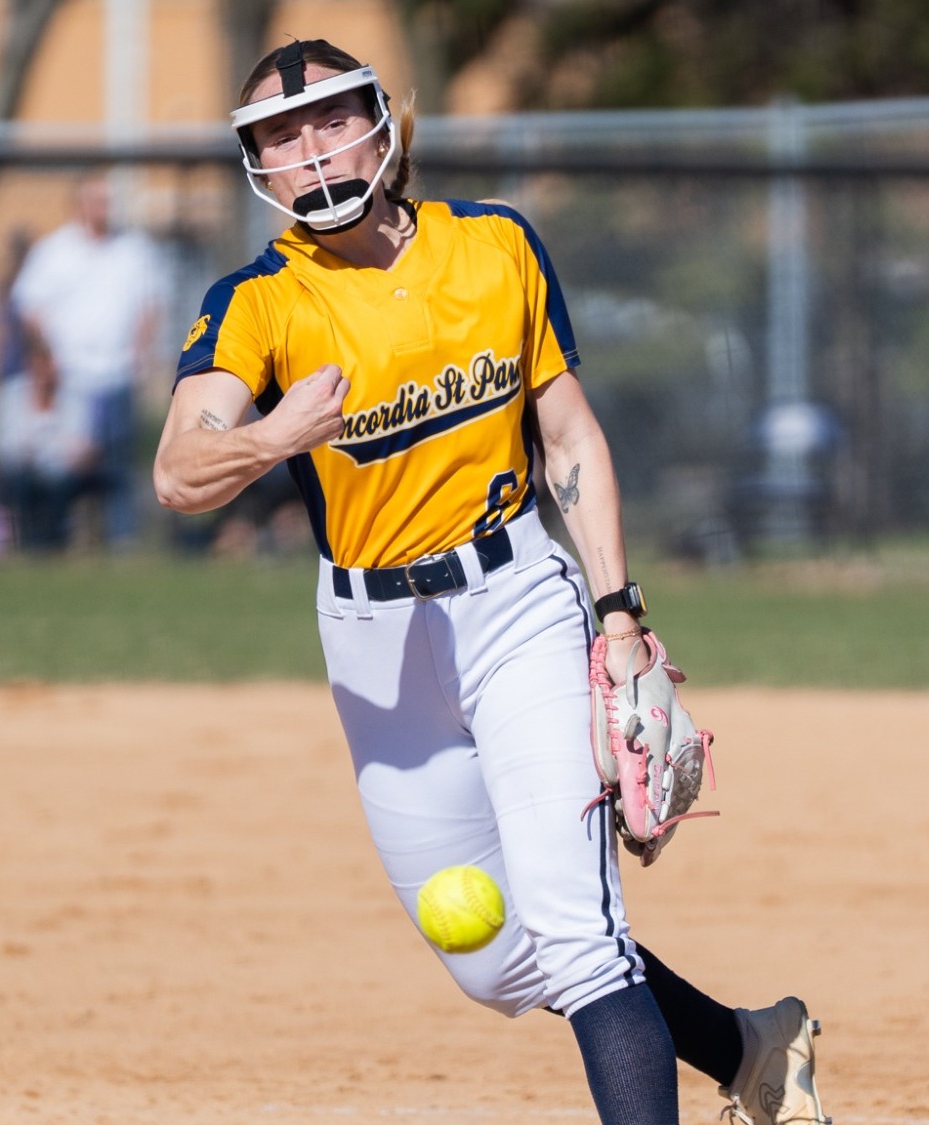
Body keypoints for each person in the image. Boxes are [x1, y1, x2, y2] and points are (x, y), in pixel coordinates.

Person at [154, 40, 829, 1125]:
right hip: (372, 640)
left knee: (577, 936)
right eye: (278, 136)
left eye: (330, 120)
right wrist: (275, 433)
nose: (309, 151)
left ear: (383, 125)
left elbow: (570, 442)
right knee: (499, 963)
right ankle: (748, 1047)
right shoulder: (258, 302)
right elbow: (178, 470)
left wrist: (618, 620)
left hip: (514, 600)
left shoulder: (494, 245)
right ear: (258, 167)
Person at [10, 171, 164, 548]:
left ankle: (122, 538)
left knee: (119, 462)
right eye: (96, 200)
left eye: (108, 201)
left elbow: (151, 305)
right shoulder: (54, 251)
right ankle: (60, 536)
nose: (104, 208)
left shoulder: (134, 250)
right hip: (69, 376)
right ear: (79, 204)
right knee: (66, 463)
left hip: (117, 373)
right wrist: (46, 358)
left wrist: (140, 354)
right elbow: (29, 307)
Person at [0, 330, 95, 551]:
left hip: (61, 472)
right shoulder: (12, 396)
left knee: (61, 485)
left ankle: (54, 542)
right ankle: (28, 543)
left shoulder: (73, 398)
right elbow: (8, 446)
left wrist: (51, 451)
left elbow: (80, 446)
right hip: (23, 470)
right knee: (20, 484)